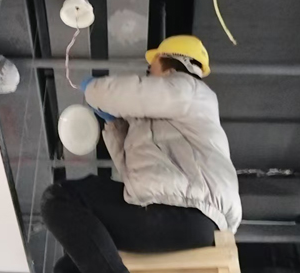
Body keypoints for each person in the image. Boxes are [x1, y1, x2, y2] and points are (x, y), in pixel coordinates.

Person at [41, 35, 241, 273]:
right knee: (68, 268)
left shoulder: (189, 88)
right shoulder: (173, 114)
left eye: (151, 67)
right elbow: (136, 177)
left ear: (170, 61)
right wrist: (117, 126)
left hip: (186, 212)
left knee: (60, 198)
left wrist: (94, 89)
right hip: (177, 217)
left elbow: (132, 93)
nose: (149, 74)